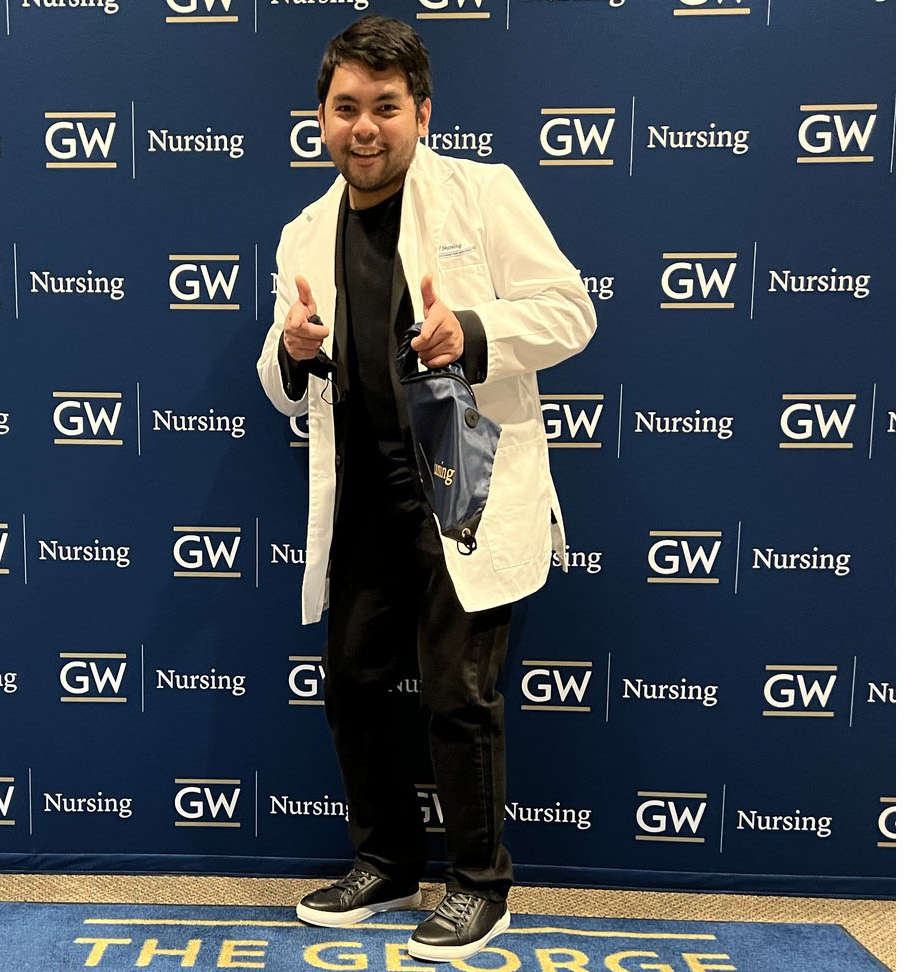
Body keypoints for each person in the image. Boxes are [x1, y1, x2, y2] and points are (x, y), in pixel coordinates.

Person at [256, 15, 597, 964]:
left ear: (422, 113)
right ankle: (387, 862)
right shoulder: (300, 231)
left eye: (386, 108)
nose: (365, 128)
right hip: (363, 495)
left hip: (465, 492)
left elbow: (572, 312)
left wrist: (473, 334)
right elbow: (278, 379)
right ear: (321, 116)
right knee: (353, 686)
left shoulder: (482, 195)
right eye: (346, 108)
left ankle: (481, 885)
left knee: (457, 696)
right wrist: (290, 354)